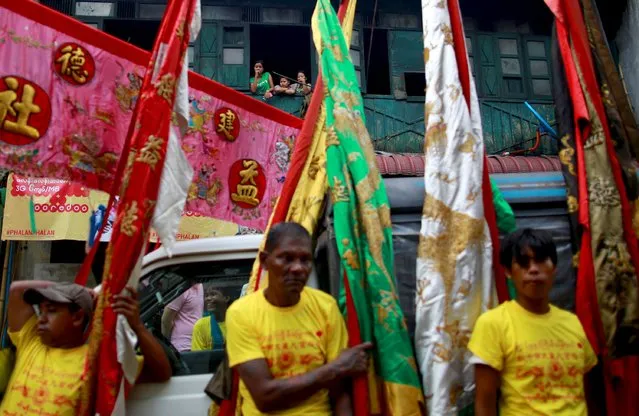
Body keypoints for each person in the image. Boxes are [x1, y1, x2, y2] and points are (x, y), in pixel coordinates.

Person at [226, 222, 372, 415]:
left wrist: (336, 371)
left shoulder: (325, 306)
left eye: (305, 260)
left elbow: (339, 393)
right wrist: (337, 367)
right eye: (286, 258)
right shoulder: (241, 313)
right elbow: (265, 397)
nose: (297, 268)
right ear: (264, 261)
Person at [468, 229, 597, 416]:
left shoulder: (573, 323)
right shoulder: (493, 323)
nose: (533, 269)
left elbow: (588, 395)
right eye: (523, 263)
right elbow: (485, 405)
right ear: (507, 271)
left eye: (541, 260)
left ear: (554, 267)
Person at [0, 281, 171, 415]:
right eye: (41, 311)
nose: (41, 319)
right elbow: (16, 289)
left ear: (77, 317)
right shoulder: (31, 341)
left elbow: (161, 372)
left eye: (51, 310)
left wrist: (137, 326)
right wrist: (85, 291)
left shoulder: (96, 361)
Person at [162, 282, 204, 352]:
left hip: (197, 346)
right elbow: (166, 319)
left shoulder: (200, 285)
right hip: (182, 347)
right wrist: (165, 344)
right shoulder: (183, 289)